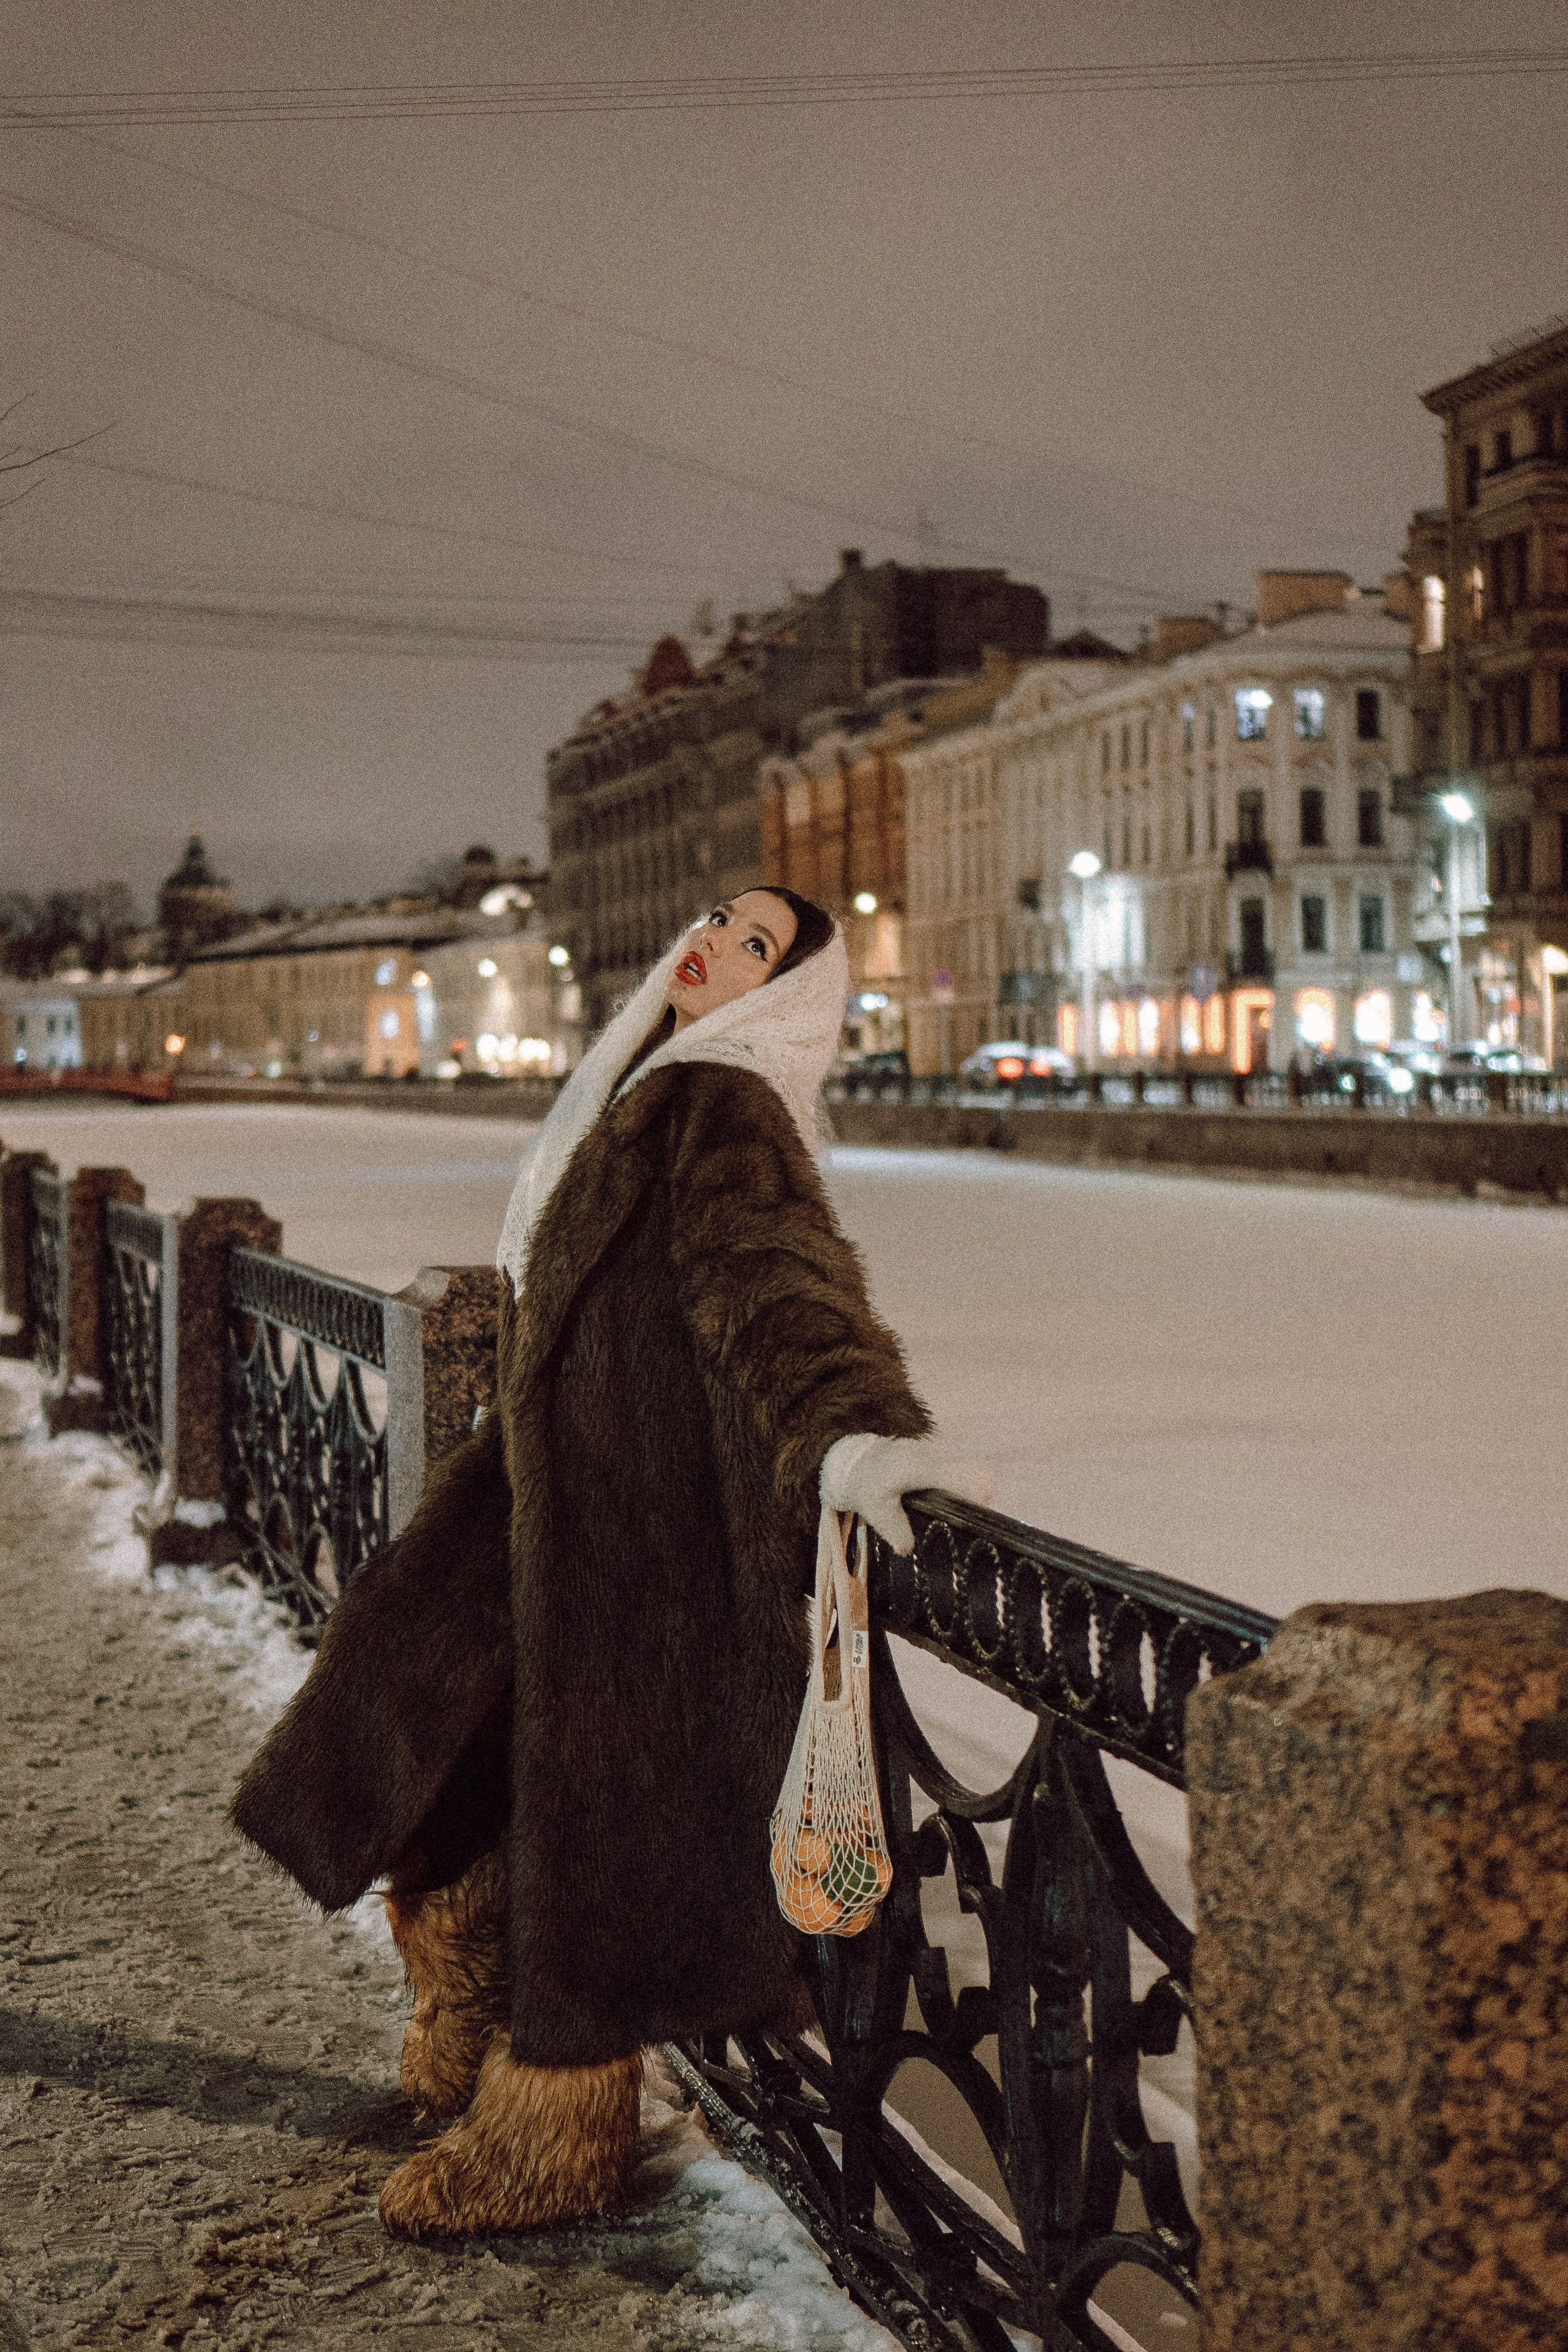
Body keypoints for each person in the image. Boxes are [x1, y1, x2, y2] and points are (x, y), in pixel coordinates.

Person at [231, 886, 991, 2237]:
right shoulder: (648, 1080)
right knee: (444, 1741)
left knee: (600, 1834)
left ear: (784, 995)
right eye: (718, 919)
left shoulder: (717, 1098)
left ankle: (552, 2140)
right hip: (548, 1487)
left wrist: (852, 1435)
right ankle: (466, 1999)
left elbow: (772, 1277)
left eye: (757, 946)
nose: (714, 941)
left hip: (644, 1539)